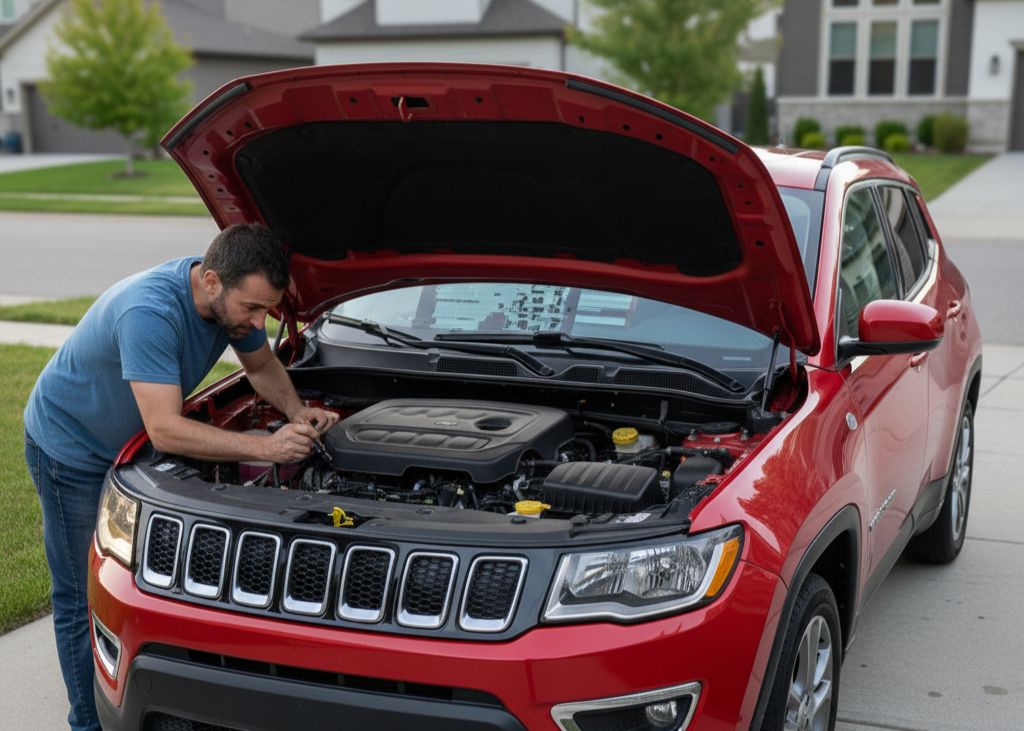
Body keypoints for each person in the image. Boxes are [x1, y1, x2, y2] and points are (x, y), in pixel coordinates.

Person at [23, 223, 339, 731]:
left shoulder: (234, 298)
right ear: (211, 281)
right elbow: (166, 429)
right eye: (253, 309)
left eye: (266, 310)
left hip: (127, 445)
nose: (258, 321)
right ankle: (86, 722)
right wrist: (266, 446)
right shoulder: (151, 312)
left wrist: (298, 414)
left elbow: (260, 368)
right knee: (79, 595)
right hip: (70, 447)